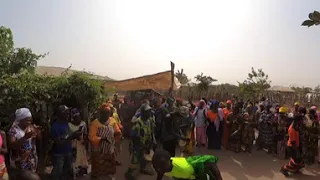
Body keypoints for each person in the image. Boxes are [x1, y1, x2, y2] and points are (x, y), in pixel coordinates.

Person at [51, 105, 82, 180]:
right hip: (59, 154)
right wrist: (72, 136)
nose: (68, 115)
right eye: (66, 113)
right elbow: (59, 142)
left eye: (68, 113)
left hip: (68, 152)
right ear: (60, 114)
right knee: (58, 174)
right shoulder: (55, 127)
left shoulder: (67, 124)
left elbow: (69, 136)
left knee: (68, 174)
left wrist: (77, 135)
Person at [125, 103, 155, 180]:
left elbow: (151, 132)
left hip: (145, 143)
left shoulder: (149, 121)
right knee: (135, 160)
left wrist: (151, 142)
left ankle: (142, 169)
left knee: (143, 158)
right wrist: (143, 146)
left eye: (150, 111)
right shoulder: (138, 123)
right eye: (148, 111)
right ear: (143, 113)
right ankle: (128, 173)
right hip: (137, 145)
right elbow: (134, 138)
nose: (150, 113)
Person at [152, 150, 223, 180]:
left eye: (162, 167)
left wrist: (218, 176)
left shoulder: (186, 168)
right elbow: (160, 173)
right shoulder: (161, 168)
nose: (159, 169)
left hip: (197, 172)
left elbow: (209, 162)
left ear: (170, 161)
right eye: (156, 167)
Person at [89, 104, 117, 179]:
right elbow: (91, 137)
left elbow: (117, 130)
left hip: (109, 148)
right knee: (97, 166)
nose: (107, 115)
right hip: (98, 149)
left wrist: (118, 134)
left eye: (108, 113)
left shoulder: (112, 121)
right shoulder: (95, 123)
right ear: (100, 113)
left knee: (108, 165)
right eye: (104, 113)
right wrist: (102, 139)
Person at [8, 108, 41, 172]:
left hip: (31, 159)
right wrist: (25, 137)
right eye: (27, 120)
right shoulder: (14, 130)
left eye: (30, 120)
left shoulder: (31, 127)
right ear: (20, 120)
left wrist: (38, 132)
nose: (29, 122)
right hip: (19, 160)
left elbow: (39, 139)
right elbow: (11, 145)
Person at [68, 108, 89, 178]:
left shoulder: (83, 124)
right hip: (73, 146)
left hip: (81, 145)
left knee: (82, 160)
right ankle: (74, 173)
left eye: (79, 117)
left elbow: (86, 134)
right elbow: (67, 136)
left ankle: (81, 173)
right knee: (74, 161)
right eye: (76, 117)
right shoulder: (69, 125)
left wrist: (85, 141)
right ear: (73, 118)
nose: (79, 119)